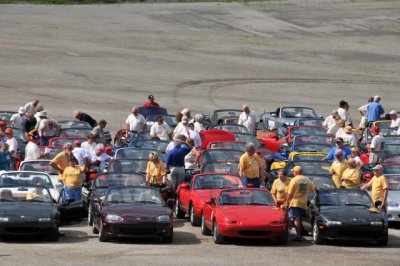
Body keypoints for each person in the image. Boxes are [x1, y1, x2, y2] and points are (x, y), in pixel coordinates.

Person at [285, 166, 316, 241]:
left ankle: (298, 236)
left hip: (295, 202)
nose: (293, 173)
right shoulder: (306, 179)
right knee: (299, 219)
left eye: (293, 171)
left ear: (296, 172)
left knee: (296, 219)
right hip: (303, 202)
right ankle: (299, 235)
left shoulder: (294, 180)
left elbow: (290, 193)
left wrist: (286, 202)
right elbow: (313, 189)